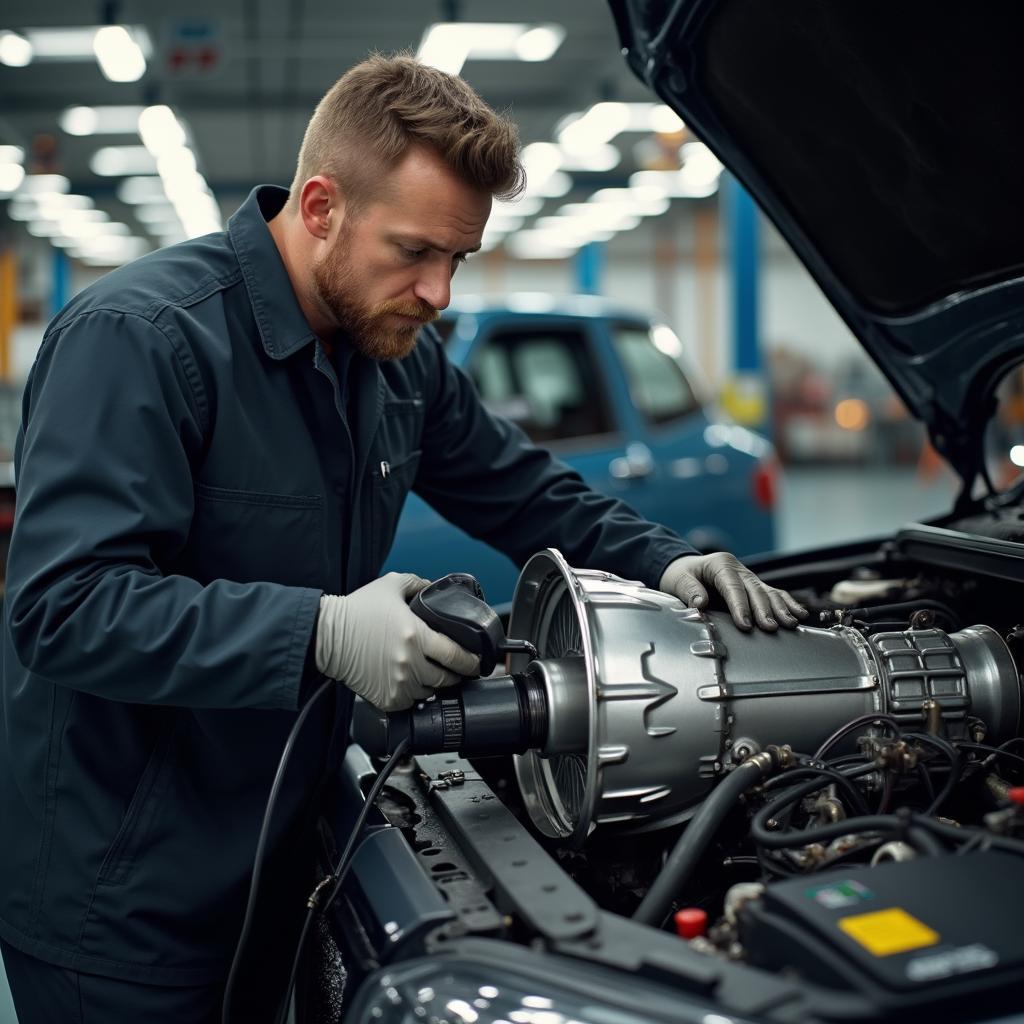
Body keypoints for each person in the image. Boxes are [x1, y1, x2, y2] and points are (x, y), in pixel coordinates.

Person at [0, 54, 806, 1023]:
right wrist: (322, 632)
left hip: (275, 858)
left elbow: (523, 489)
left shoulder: (395, 362)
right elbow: (65, 608)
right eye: (415, 251)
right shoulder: (142, 339)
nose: (438, 293)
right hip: (120, 901)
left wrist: (663, 556)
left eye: (458, 259)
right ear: (319, 205)